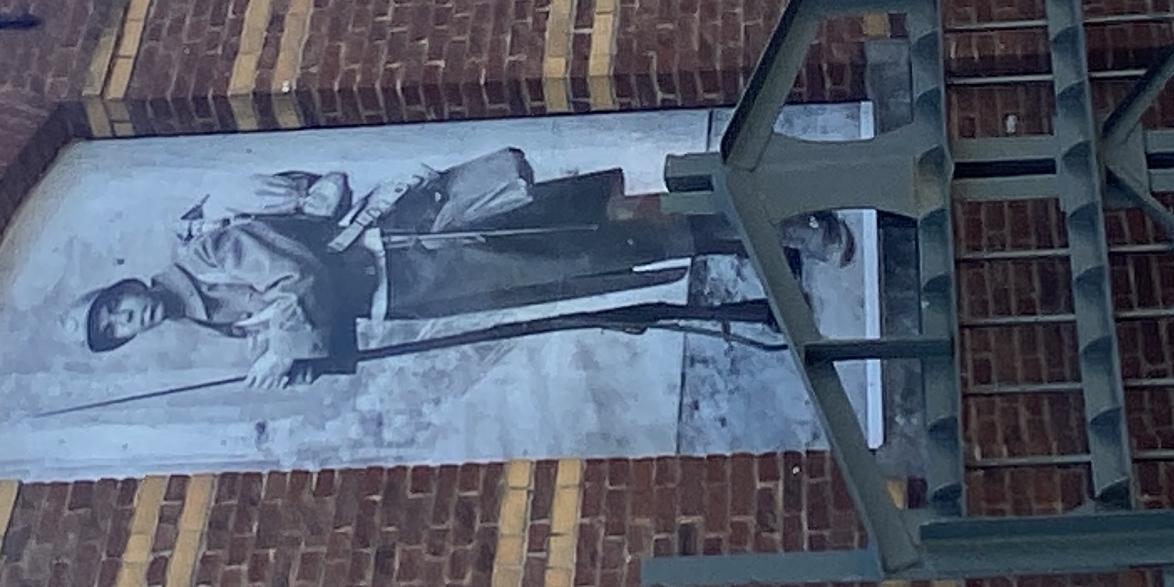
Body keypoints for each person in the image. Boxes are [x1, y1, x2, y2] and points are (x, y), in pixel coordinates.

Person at [79, 148, 837, 386]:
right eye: (118, 333)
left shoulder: (204, 252)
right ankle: (768, 242)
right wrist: (304, 362)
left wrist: (287, 346)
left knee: (592, 232)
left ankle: (782, 215)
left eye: (115, 309)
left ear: (126, 286)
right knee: (587, 271)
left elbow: (303, 280)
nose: (128, 321)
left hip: (420, 242)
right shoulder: (209, 323)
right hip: (418, 293)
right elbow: (324, 331)